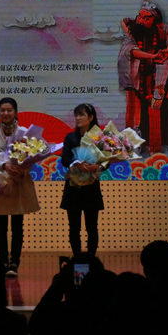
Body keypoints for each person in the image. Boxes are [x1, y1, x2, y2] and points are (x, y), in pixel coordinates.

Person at [119, 0, 168, 154]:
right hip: (141, 79)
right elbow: (131, 51)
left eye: (146, 18)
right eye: (140, 17)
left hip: (163, 78)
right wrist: (151, 56)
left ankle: (163, 144)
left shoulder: (163, 31)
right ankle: (141, 144)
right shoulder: (133, 33)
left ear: (155, 21)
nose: (141, 20)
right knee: (141, 112)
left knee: (167, 109)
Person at [0, 97, 40, 276]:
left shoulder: (25, 133)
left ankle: (14, 263)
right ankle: (2, 261)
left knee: (17, 226)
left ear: (15, 112)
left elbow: (32, 158)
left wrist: (22, 170)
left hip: (19, 183)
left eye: (9, 110)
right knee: (1, 226)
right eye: (2, 110)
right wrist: (4, 166)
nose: (6, 113)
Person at [59, 103, 104, 256]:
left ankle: (91, 259)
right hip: (73, 188)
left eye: (81, 115)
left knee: (92, 227)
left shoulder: (99, 138)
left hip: (91, 188)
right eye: (76, 115)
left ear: (91, 118)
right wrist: (76, 163)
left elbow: (107, 162)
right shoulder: (70, 137)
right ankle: (77, 258)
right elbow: (64, 159)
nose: (77, 118)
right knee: (74, 228)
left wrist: (97, 166)